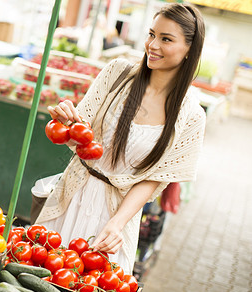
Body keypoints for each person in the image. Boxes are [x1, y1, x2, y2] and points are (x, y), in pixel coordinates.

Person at [35, 3, 206, 274]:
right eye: (151, 34)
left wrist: (116, 223)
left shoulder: (191, 116)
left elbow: (152, 180)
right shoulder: (118, 73)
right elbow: (81, 131)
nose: (153, 45)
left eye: (166, 39)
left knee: (94, 285)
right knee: (39, 275)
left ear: (189, 50)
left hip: (117, 219)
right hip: (72, 196)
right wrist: (67, 121)